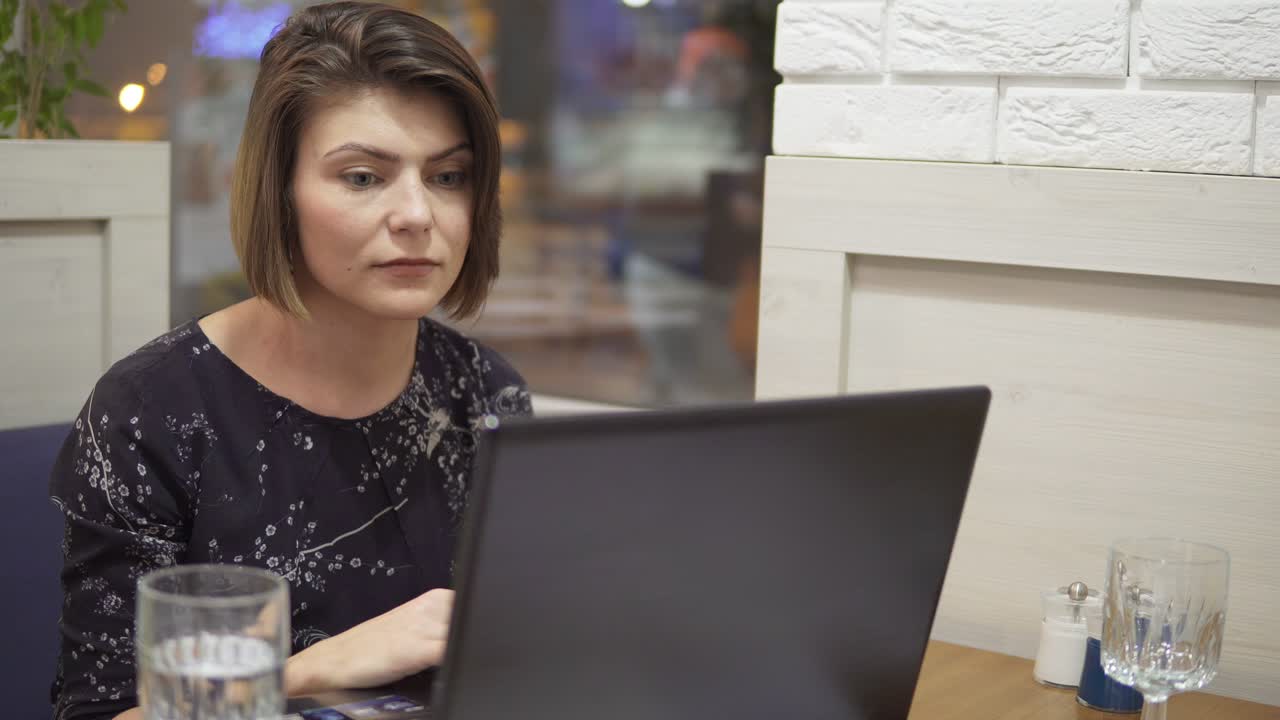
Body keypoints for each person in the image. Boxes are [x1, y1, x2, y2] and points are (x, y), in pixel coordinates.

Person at [47, 3, 532, 718]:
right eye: (364, 177)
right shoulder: (153, 415)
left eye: (448, 177)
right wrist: (310, 670)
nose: (417, 216)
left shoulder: (485, 394)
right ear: (280, 192)